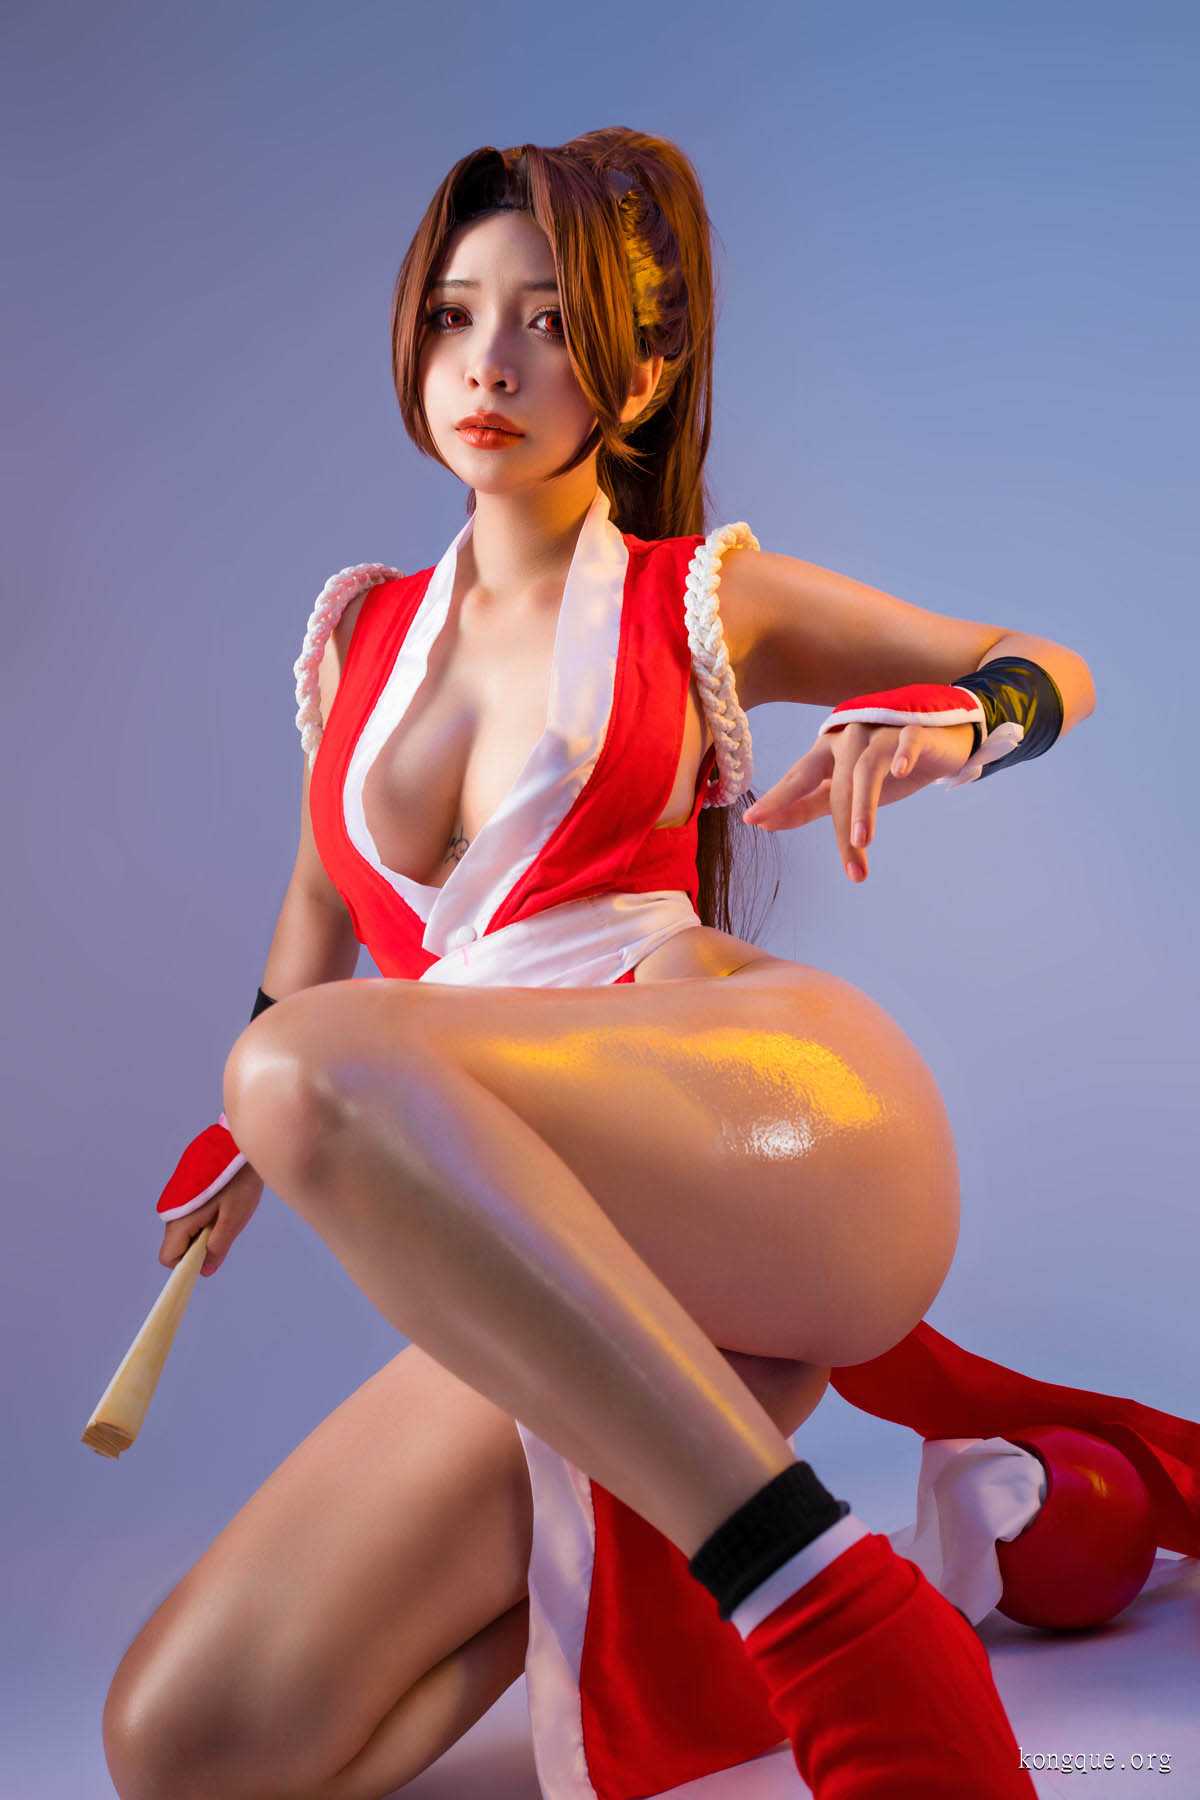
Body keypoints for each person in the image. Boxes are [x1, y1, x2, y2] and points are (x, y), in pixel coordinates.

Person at [102, 131, 1198, 1800]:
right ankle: (736, 1508)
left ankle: (824, 1610)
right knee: (179, 1747)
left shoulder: (700, 600)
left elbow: (1041, 660)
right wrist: (244, 1143)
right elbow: (310, 940)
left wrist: (955, 725)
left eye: (548, 323)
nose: (489, 364)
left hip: (786, 1130)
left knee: (303, 1067)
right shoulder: (357, 639)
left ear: (643, 371)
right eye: (455, 315)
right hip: (545, 1246)